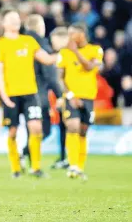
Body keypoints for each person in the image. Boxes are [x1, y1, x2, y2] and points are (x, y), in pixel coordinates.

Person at [0, 9, 60, 179]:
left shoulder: (29, 41)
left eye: (17, 18)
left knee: (36, 128)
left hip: (30, 93)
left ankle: (35, 167)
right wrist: (4, 96)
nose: (15, 21)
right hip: (11, 95)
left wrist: (63, 52)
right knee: (12, 131)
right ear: (4, 23)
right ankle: (15, 168)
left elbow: (47, 59)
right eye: (11, 19)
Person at [57, 22, 103, 180]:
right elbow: (60, 78)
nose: (69, 38)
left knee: (83, 130)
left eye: (72, 34)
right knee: (72, 126)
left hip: (89, 97)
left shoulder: (95, 50)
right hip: (71, 97)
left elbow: (90, 67)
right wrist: (70, 96)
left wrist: (76, 51)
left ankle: (80, 167)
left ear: (81, 34)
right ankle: (73, 165)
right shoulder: (64, 53)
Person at [22, 16, 64, 168]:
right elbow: (50, 75)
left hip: (19, 92)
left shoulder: (20, 43)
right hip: (38, 94)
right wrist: (59, 94)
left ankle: (29, 160)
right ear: (40, 27)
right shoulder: (41, 45)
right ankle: (28, 157)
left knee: (30, 127)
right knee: (43, 129)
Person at [49, 27, 69, 169]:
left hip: (71, 96)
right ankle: (64, 157)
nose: (53, 44)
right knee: (63, 127)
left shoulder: (66, 55)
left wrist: (63, 96)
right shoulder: (60, 54)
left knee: (69, 127)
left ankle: (70, 159)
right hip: (64, 96)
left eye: (54, 41)